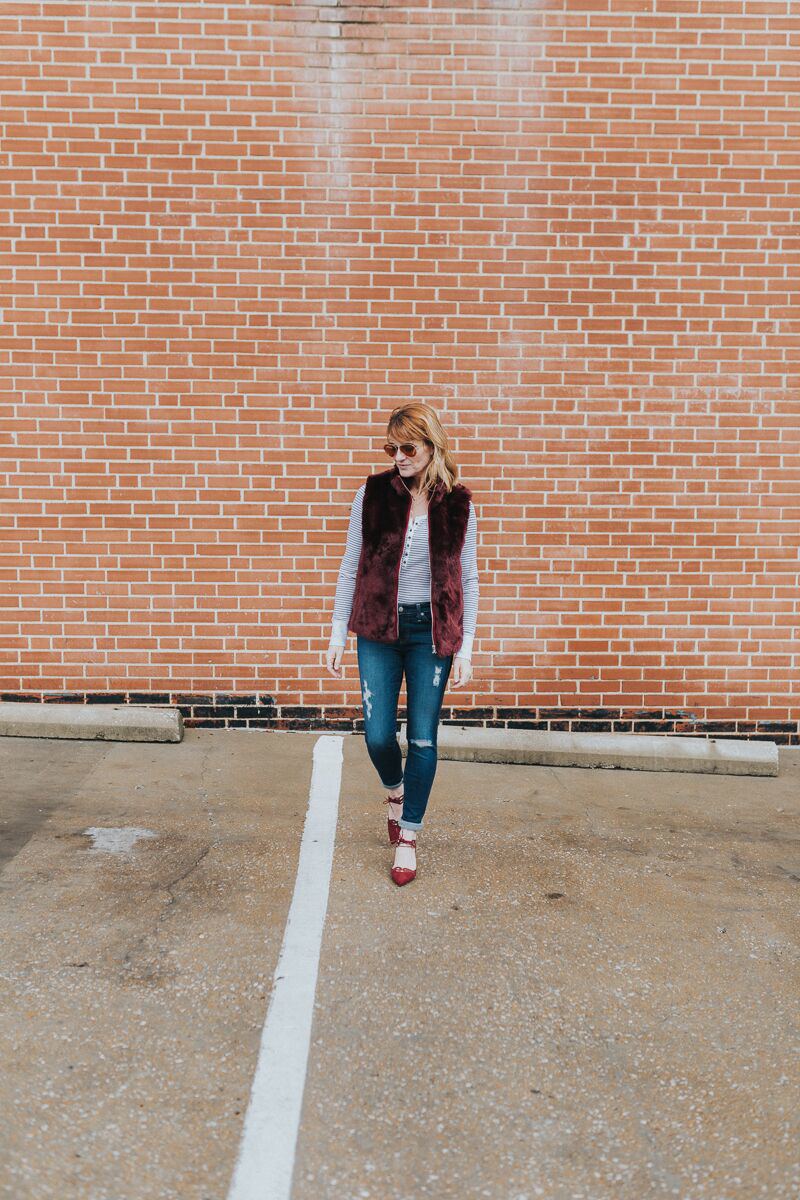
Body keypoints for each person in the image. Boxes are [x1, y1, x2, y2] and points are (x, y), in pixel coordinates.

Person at [325, 402, 479, 886]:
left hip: (431, 635)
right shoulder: (371, 494)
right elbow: (352, 564)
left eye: (407, 447)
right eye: (391, 448)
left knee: (424, 738)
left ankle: (408, 836)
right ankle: (394, 791)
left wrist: (467, 646)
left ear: (431, 445)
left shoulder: (458, 503)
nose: (398, 456)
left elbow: (468, 577)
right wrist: (335, 632)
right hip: (377, 630)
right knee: (376, 735)